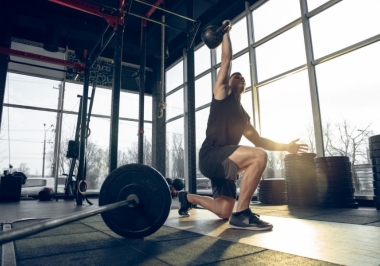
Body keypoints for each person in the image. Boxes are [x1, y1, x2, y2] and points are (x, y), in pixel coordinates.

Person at [177, 20, 308, 231]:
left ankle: (188, 197)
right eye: (235, 75)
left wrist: (286, 147)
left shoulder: (244, 116)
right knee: (259, 156)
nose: (239, 77)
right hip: (212, 155)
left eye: (242, 77)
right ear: (228, 82)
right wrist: (226, 33)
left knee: (223, 211)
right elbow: (226, 59)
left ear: (245, 88)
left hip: (227, 162)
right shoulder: (221, 94)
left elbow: (259, 140)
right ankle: (242, 214)